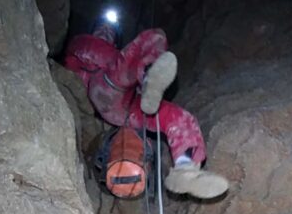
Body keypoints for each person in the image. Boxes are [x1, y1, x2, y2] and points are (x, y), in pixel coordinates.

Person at [64, 13, 229, 199]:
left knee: (177, 117)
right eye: (102, 27)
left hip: (124, 106)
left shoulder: (108, 56)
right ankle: (148, 76)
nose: (105, 31)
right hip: (103, 90)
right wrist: (127, 60)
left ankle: (186, 169)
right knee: (153, 39)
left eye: (109, 30)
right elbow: (87, 50)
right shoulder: (84, 44)